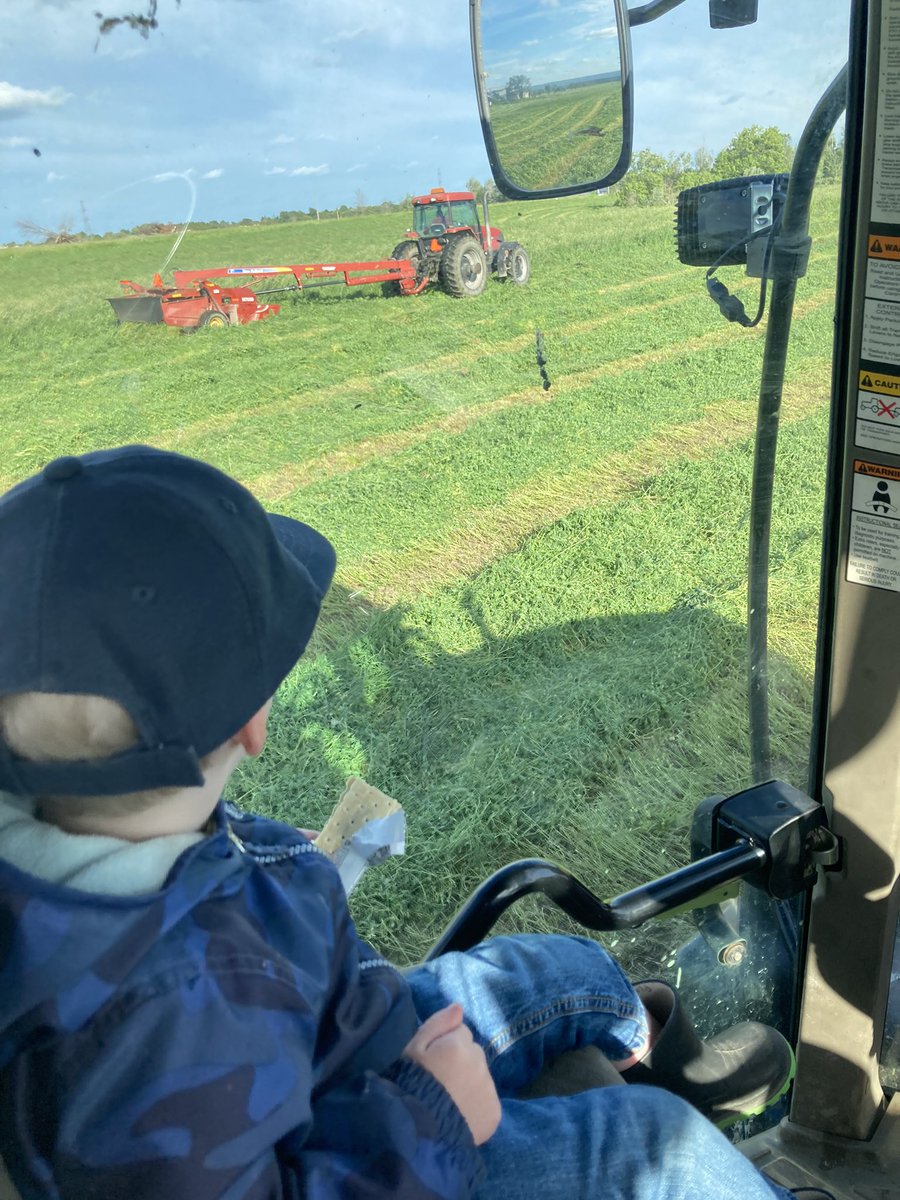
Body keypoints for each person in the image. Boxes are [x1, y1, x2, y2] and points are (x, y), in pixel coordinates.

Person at [0, 445, 808, 1200]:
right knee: (651, 1144)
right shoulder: (160, 1022)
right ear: (251, 725)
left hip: (331, 1041)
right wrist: (436, 1116)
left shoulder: (96, 820)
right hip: (370, 1148)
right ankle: (680, 1117)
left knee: (555, 970)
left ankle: (673, 1062)